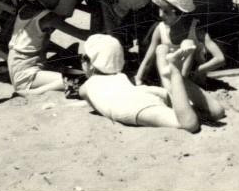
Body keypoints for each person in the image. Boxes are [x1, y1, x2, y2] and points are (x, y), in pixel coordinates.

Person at [80, 34, 223, 132]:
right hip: (142, 92)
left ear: (91, 64)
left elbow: (96, 101)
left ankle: (175, 73)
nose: (81, 61)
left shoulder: (85, 88)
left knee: (189, 124)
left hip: (132, 107)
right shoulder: (120, 76)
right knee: (216, 112)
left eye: (83, 58)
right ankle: (175, 78)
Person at [7, 0, 90, 95]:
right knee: (80, 80)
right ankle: (29, 92)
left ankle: (28, 88)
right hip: (27, 73)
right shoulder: (48, 18)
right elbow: (83, 35)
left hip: (17, 64)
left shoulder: (25, 8)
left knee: (72, 74)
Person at [134, 0, 225, 86]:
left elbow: (220, 58)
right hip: (169, 78)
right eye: (160, 9)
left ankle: (181, 86)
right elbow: (148, 60)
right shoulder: (161, 29)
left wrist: (200, 70)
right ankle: (173, 87)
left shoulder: (195, 30)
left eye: (166, 12)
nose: (160, 15)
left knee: (188, 43)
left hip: (191, 83)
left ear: (180, 13)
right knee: (161, 49)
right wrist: (138, 80)